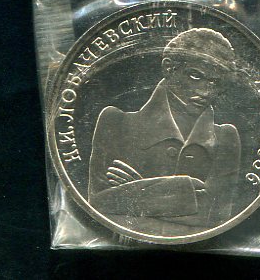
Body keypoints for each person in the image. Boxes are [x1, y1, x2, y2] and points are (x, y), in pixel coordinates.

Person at [87, 29, 240, 234]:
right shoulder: (114, 122)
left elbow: (217, 215)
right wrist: (189, 192)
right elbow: (99, 204)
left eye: (215, 82)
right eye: (195, 75)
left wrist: (137, 189)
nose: (206, 91)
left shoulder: (226, 136)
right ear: (168, 67)